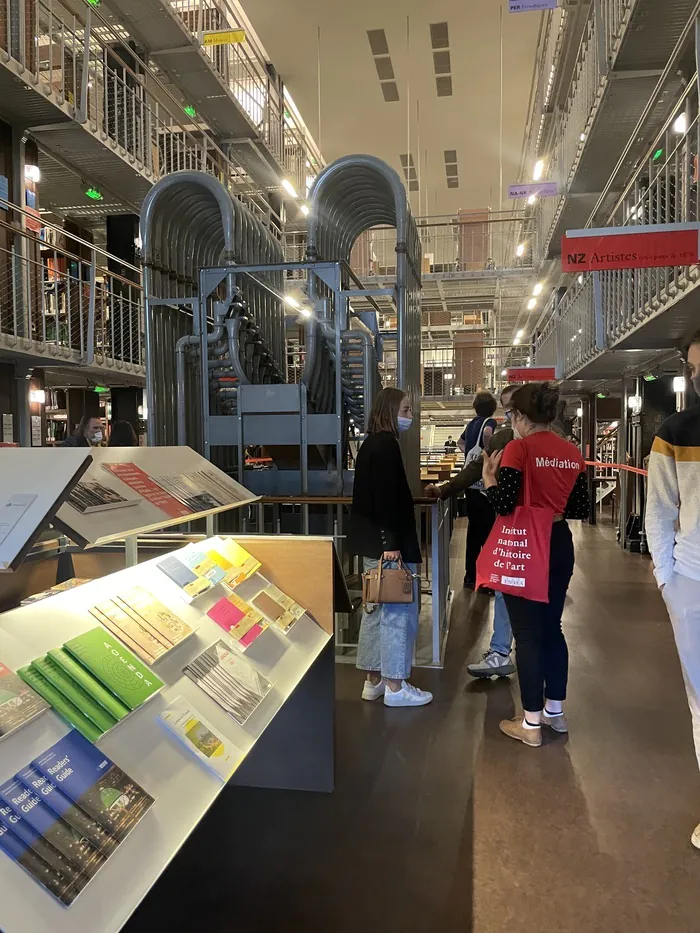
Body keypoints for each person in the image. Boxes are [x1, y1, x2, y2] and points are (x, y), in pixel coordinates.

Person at [481, 382, 589, 748]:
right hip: (559, 543)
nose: (512, 422)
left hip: (526, 546)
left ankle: (529, 723)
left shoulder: (518, 449)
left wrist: (489, 480)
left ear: (523, 416)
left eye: (512, 416)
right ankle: (555, 712)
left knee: (526, 635)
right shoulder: (571, 452)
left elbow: (505, 505)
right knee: (552, 629)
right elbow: (579, 508)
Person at [646, 329, 700, 848]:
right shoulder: (675, 433)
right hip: (692, 581)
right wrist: (667, 579)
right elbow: (659, 510)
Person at [426, 385, 520, 677]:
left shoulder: (511, 437)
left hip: (526, 526)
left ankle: (521, 656)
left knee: (530, 596)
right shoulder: (503, 435)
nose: (512, 415)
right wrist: (445, 489)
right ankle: (504, 651)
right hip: (513, 522)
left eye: (515, 409)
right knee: (506, 587)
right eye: (508, 409)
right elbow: (476, 469)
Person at [347, 387, 433, 708]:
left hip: (374, 546)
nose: (409, 416)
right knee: (397, 611)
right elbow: (385, 500)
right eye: (406, 410)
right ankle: (396, 685)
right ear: (390, 410)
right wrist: (391, 544)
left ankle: (374, 681)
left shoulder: (371, 444)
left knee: (375, 609)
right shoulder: (386, 446)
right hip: (388, 547)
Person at [456, 392, 498, 589]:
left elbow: (460, 442)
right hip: (482, 485)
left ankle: (469, 576)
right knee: (488, 531)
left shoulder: (471, 423)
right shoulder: (489, 421)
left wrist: (469, 454)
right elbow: (488, 433)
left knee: (473, 531)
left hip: (470, 485)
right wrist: (487, 451)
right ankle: (486, 578)